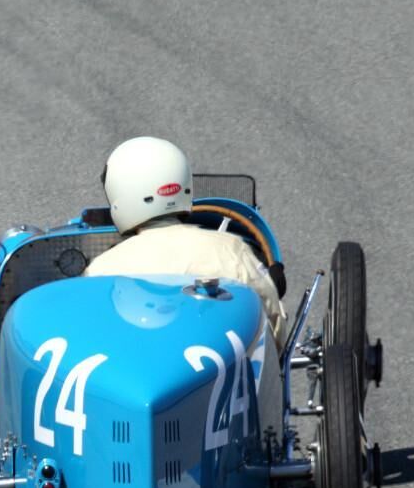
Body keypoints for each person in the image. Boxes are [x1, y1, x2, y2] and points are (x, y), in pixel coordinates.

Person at [85, 137, 288, 348]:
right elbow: (273, 327)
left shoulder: (100, 270)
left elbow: (89, 333)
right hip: (227, 372)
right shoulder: (231, 250)